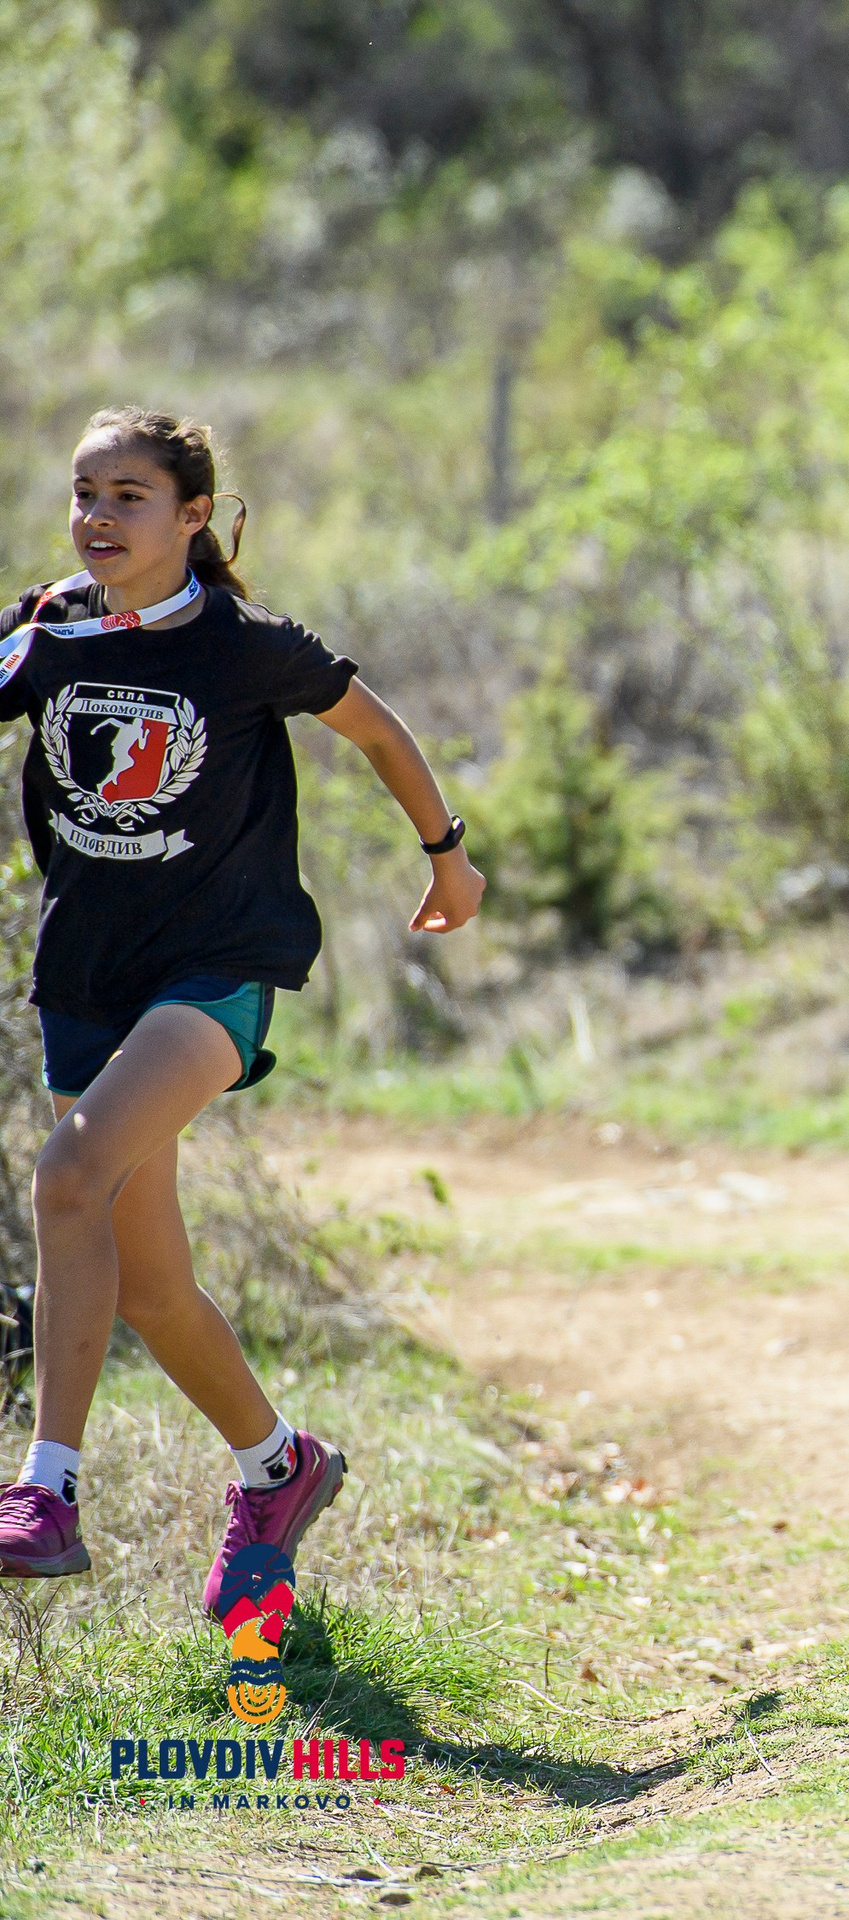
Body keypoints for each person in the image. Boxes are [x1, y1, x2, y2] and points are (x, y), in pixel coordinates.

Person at [0, 408, 485, 1593]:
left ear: (193, 514)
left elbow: (378, 731)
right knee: (152, 1285)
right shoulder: (46, 629)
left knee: (66, 1176)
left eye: (130, 495)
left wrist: (449, 856)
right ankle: (279, 1466)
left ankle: (45, 1491)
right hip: (88, 972)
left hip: (217, 966)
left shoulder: (244, 644)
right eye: (86, 494)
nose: (100, 516)